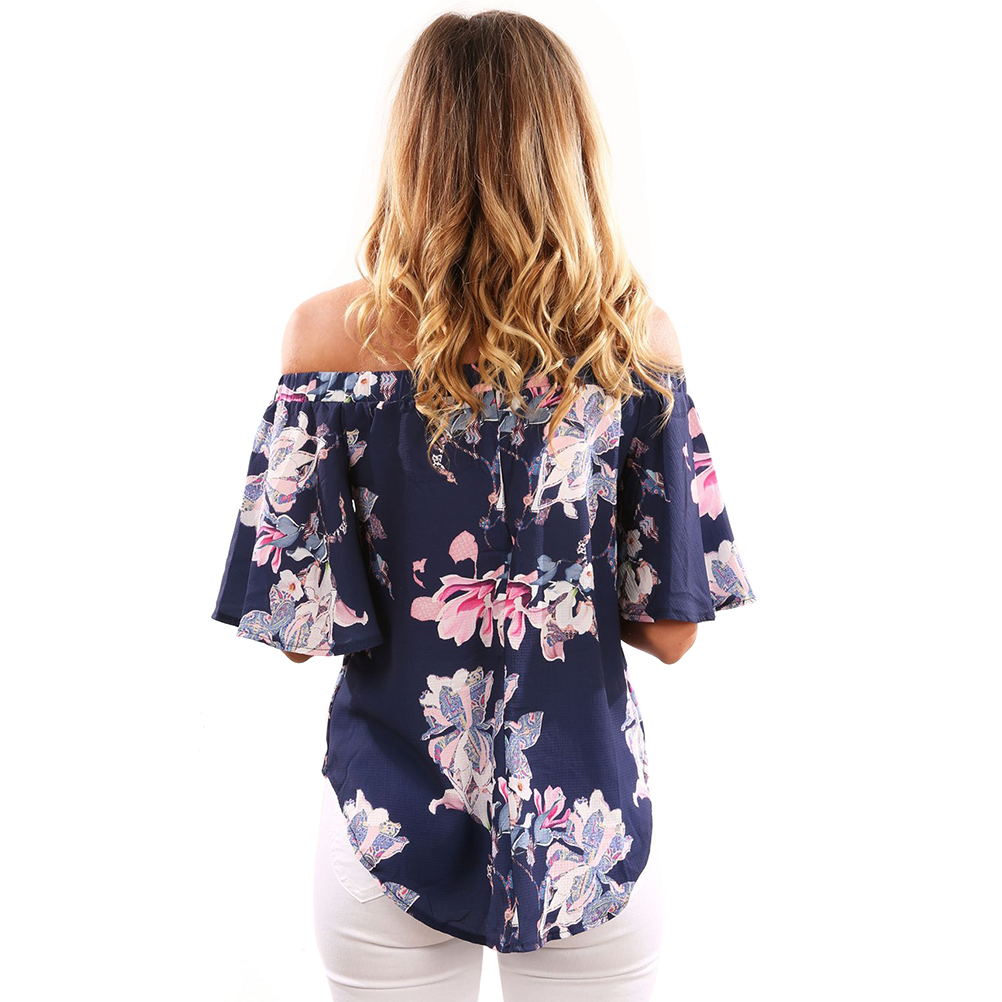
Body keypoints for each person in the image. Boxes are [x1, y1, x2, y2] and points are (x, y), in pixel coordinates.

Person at [211, 10, 756, 1000]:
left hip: (389, 825)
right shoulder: (637, 348)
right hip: (587, 829)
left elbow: (299, 632)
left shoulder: (325, 342)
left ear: (414, 147)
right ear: (567, 146)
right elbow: (673, 632)